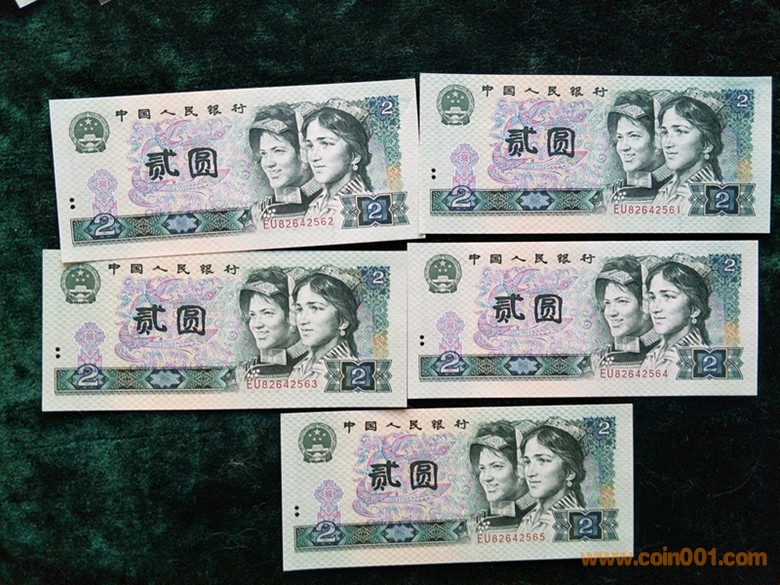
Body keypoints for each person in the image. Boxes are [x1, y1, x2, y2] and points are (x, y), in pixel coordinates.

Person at [248, 103, 320, 222]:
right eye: (264, 154)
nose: (268, 163)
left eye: (278, 151)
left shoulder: (333, 202)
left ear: (304, 152)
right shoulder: (259, 212)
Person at [235, 268, 307, 388]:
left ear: (292, 316)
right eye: (253, 315)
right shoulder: (244, 372)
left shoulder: (318, 367)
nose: (256, 324)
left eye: (267, 313)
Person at [301, 103, 373, 222]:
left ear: (354, 156)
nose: (313, 157)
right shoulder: (316, 204)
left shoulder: (363, 208)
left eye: (325, 144)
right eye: (310, 146)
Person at [288, 272, 359, 389]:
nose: (302, 320)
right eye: (299, 309)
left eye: (315, 308)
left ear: (343, 321)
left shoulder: (347, 373)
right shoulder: (301, 366)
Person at [653, 96, 723, 211]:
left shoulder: (711, 196)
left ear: (706, 145)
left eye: (680, 131)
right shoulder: (666, 190)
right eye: (665, 132)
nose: (667, 144)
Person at [517, 423, 587, 540]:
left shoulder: (574, 523)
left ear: (569, 473)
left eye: (543, 460)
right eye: (527, 462)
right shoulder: (529, 518)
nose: (530, 473)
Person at [641, 260, 711, 372]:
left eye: (668, 296)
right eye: (652, 298)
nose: (655, 309)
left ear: (694, 309)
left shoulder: (698, 361)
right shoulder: (654, 354)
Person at [591, 256, 659, 370]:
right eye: (607, 303)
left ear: (645, 304)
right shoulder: (598, 359)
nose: (611, 313)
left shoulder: (669, 355)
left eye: (622, 301)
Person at [605, 91, 671, 207]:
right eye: (620, 137)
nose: (623, 147)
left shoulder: (681, 190)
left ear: (657, 139)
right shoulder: (611, 193)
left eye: (634, 136)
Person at [469, 421, 534, 532]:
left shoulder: (546, 517)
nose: (486, 478)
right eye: (482, 468)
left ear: (521, 468)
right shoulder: (477, 523)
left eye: (497, 466)